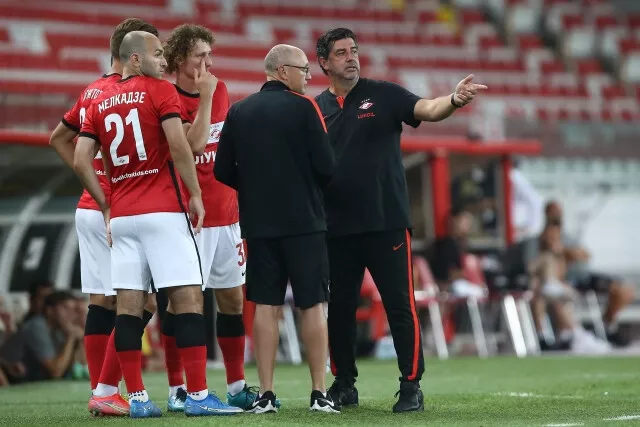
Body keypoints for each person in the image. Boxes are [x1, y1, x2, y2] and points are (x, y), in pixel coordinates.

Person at [314, 27, 487, 413]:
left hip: (386, 222)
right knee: (339, 310)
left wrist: (453, 100)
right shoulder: (316, 109)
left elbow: (427, 109)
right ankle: (343, 384)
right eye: (341, 53)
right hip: (336, 227)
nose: (351, 58)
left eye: (354, 50)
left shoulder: (384, 94)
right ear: (323, 62)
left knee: (400, 305)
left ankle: (411, 386)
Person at [73, 31, 241, 418]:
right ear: (136, 58)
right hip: (162, 210)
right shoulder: (160, 91)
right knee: (188, 300)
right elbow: (183, 146)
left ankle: (136, 399)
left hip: (122, 214)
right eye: (158, 54)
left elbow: (82, 158)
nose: (163, 60)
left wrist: (105, 203)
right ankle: (197, 396)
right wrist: (195, 193)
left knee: (129, 307)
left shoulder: (99, 98)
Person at [214, 44, 338, 414]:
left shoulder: (239, 110)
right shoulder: (306, 107)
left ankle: (266, 394)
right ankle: (319, 392)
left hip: (259, 224)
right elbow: (327, 166)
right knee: (311, 304)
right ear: (283, 71)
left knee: (265, 306)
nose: (308, 76)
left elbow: (221, 169)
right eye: (303, 69)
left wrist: (253, 188)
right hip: (304, 223)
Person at [48, 18, 160, 416]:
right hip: (119, 207)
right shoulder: (129, 92)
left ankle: (101, 394)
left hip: (89, 208)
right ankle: (107, 389)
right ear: (133, 53)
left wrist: (90, 176)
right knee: (143, 300)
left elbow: (58, 139)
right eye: (155, 51)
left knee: (101, 300)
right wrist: (105, 185)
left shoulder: (92, 91)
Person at [162, 23, 263, 411]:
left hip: (227, 216)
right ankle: (177, 389)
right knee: (181, 305)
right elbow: (195, 144)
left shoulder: (219, 89)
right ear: (179, 59)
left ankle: (236, 385)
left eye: (209, 54)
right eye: (199, 55)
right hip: (189, 217)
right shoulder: (168, 96)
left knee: (232, 301)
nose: (207, 62)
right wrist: (204, 98)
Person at [0, 291, 81, 384]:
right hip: (11, 383)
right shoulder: (37, 327)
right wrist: (71, 338)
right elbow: (55, 372)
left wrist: (79, 342)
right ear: (50, 311)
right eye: (66, 308)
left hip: (28, 384)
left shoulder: (59, 330)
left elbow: (77, 369)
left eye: (73, 310)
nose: (71, 314)